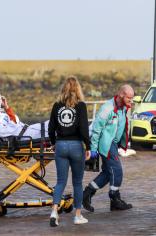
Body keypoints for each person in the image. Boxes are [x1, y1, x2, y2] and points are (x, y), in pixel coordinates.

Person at [82, 84, 135, 212]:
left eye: (132, 98)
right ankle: (114, 198)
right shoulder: (107, 108)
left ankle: (87, 194)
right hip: (106, 144)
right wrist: (93, 149)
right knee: (117, 171)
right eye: (129, 98)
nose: (131, 101)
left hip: (113, 143)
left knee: (107, 173)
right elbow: (96, 129)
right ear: (121, 95)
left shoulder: (124, 107)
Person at [48, 76, 91, 227]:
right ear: (78, 89)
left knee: (60, 181)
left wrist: (54, 144)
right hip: (76, 146)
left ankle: (54, 212)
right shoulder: (81, 106)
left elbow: (50, 129)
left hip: (60, 145)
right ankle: (78, 216)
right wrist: (89, 146)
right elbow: (84, 129)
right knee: (77, 183)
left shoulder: (56, 105)